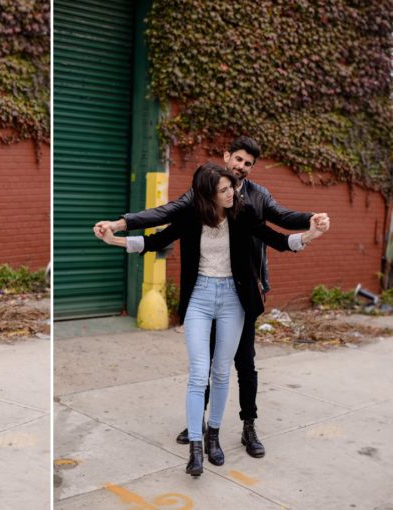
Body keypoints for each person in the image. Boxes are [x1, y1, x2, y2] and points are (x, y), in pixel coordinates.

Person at [93, 163, 328, 477]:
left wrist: (311, 234)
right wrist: (115, 240)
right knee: (198, 372)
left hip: (234, 299)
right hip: (200, 297)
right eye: (224, 190)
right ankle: (195, 448)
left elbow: (279, 241)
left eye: (231, 187)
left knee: (220, 372)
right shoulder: (191, 216)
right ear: (207, 195)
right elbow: (155, 240)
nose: (232, 193)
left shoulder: (243, 213)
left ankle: (213, 437)